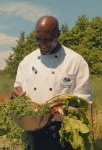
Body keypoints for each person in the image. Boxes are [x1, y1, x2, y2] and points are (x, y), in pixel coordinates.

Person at [11, 16, 93, 150]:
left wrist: (61, 111)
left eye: (47, 39)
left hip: (62, 132)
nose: (42, 43)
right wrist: (15, 92)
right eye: (38, 39)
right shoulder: (27, 61)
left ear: (58, 34)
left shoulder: (75, 61)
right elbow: (17, 86)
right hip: (33, 129)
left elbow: (85, 98)